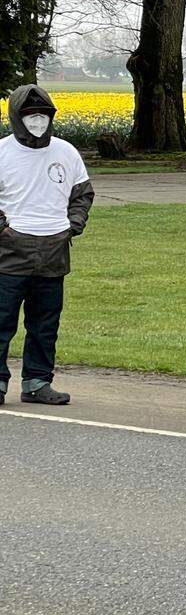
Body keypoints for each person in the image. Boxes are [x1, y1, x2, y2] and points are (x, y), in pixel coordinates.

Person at [0, 85, 94, 405]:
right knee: (1, 320)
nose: (37, 121)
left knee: (45, 322)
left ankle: (37, 382)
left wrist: (72, 226)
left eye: (43, 115)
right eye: (30, 115)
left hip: (54, 249)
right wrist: (4, 231)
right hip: (9, 252)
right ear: (16, 117)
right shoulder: (2, 152)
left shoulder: (66, 152)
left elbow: (82, 194)